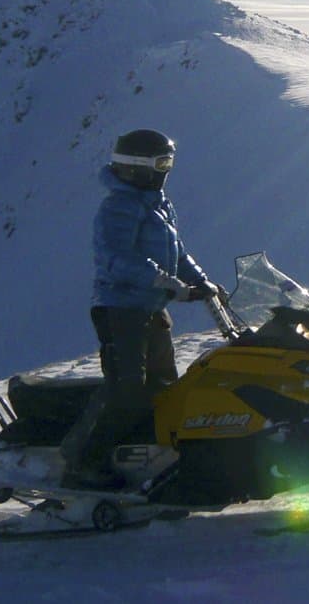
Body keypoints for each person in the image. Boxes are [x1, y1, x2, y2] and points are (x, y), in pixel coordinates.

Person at [60, 129, 219, 489]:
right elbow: (116, 258)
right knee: (128, 388)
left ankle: (148, 458)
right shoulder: (118, 207)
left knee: (165, 388)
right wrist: (164, 282)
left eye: (170, 162)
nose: (167, 169)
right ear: (138, 167)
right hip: (120, 310)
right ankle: (81, 463)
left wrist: (203, 283)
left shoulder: (158, 203)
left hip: (151, 308)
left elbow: (177, 254)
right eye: (162, 163)